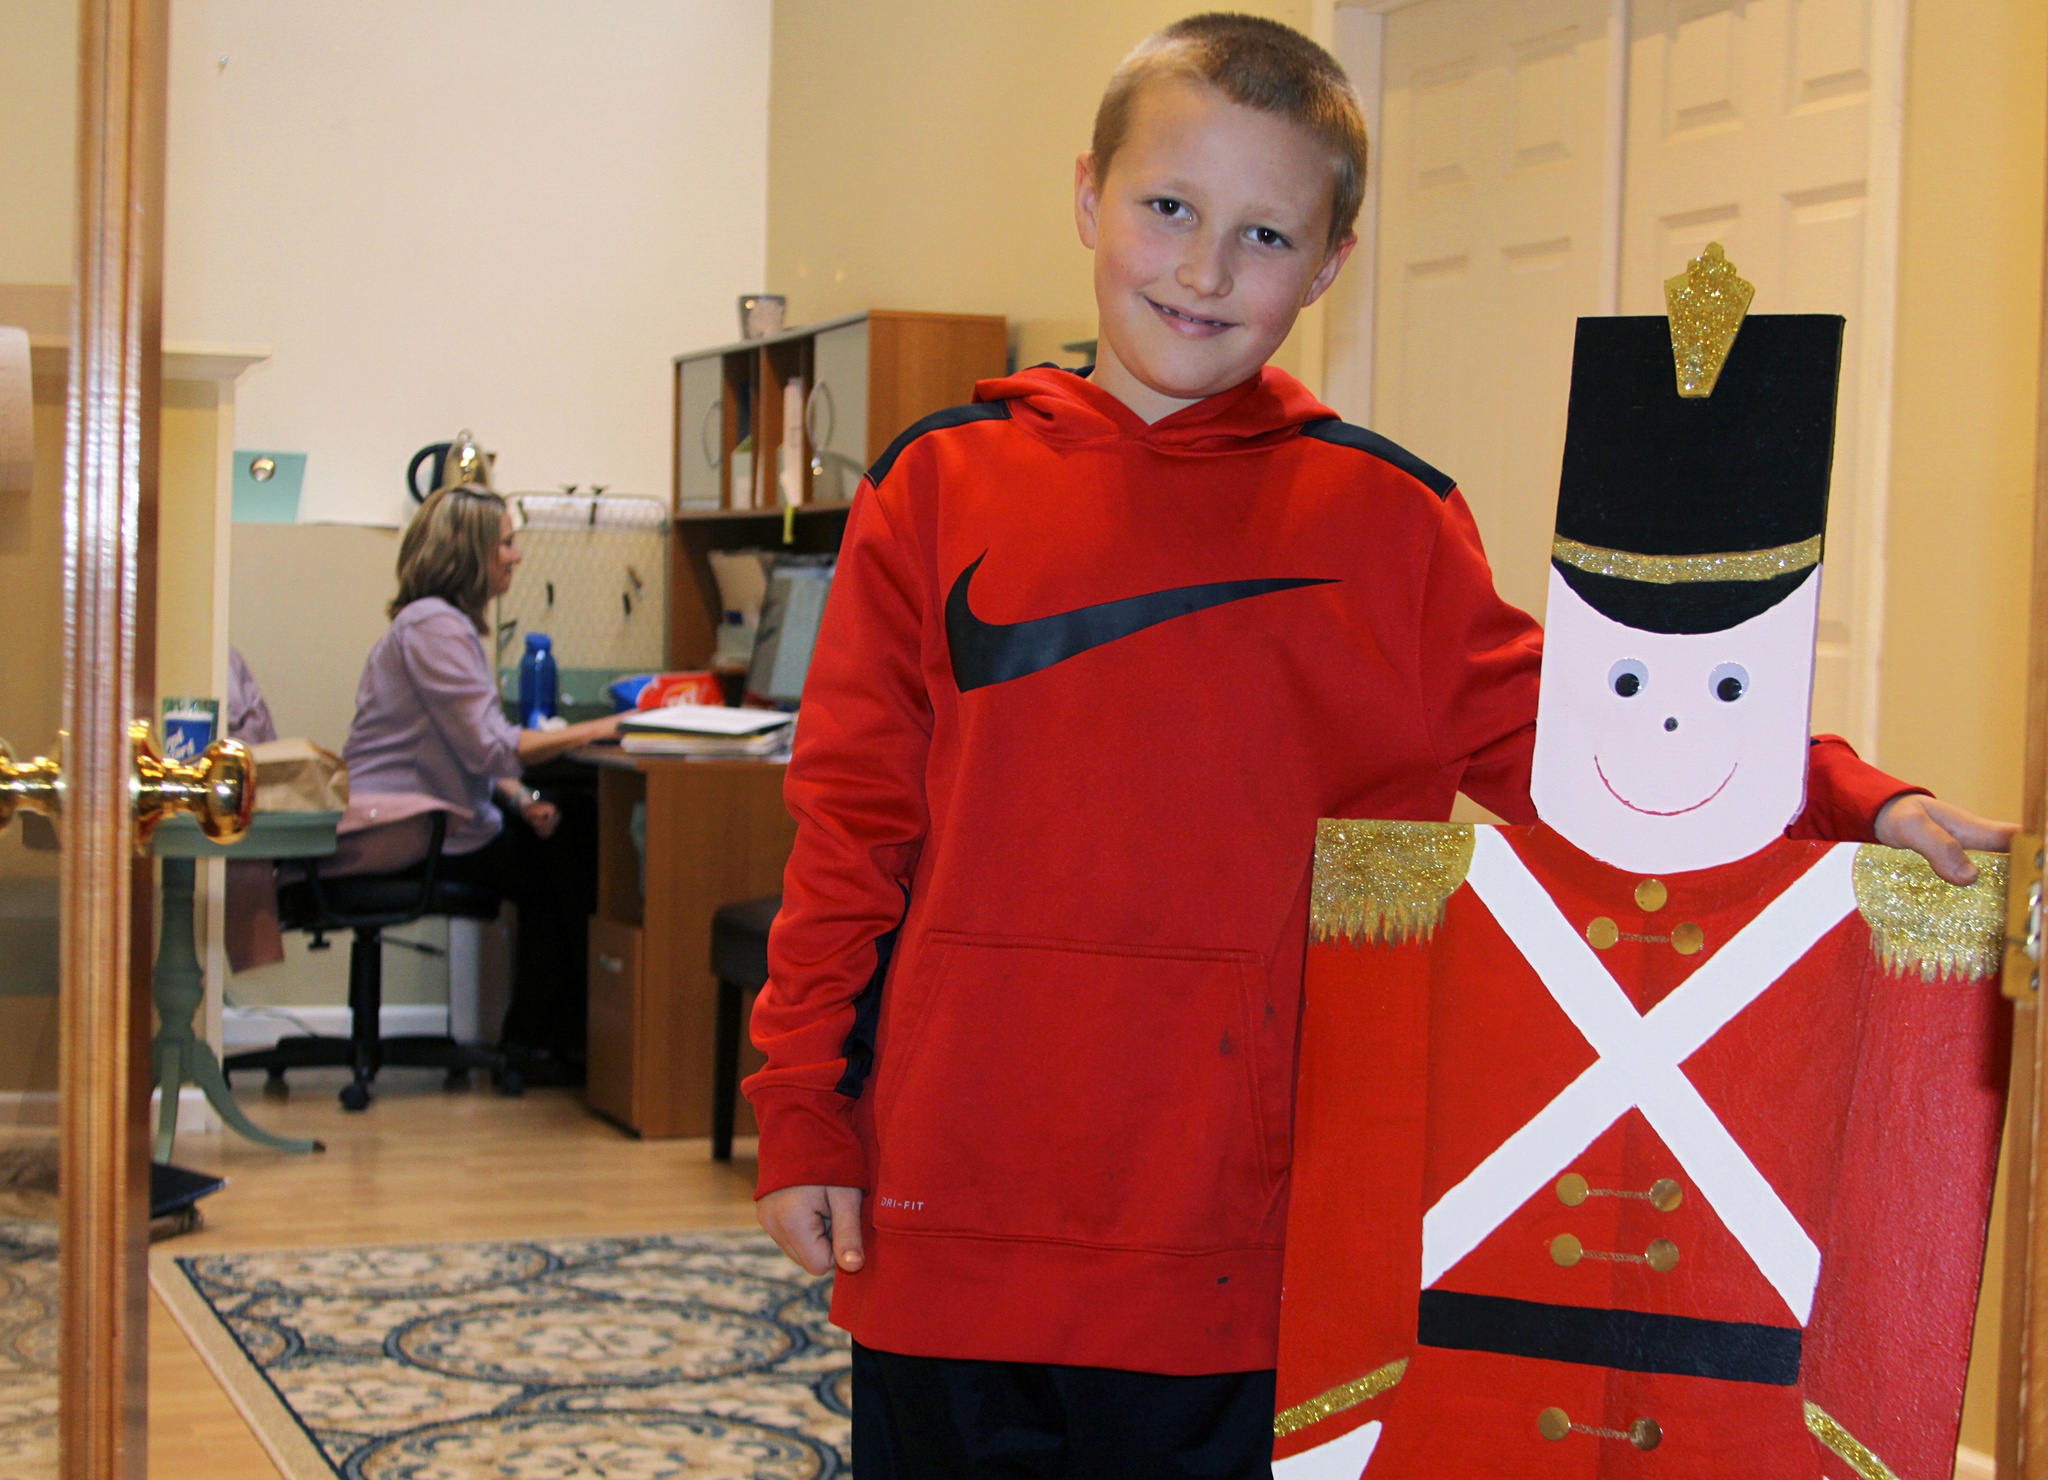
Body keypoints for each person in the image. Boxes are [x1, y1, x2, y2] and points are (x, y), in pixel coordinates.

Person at [745, 14, 2011, 1478]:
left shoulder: (1383, 526)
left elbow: (1602, 735)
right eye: (1169, 208)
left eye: (1265, 233)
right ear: (1089, 195)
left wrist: (1865, 802)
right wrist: (803, 1117)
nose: (1206, 269)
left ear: (1331, 261)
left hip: (1232, 1258)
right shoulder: (932, 488)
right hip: (945, 1224)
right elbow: (849, 835)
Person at [342, 483, 623, 1078]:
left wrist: (521, 798)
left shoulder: (430, 625)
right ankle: (539, 1044)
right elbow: (492, 744)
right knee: (575, 850)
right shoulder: (438, 628)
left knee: (561, 829)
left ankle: (541, 1038)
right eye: (505, 544)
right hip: (408, 830)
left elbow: (462, 749)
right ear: (470, 555)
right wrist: (611, 725)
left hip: (417, 817)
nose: (516, 556)